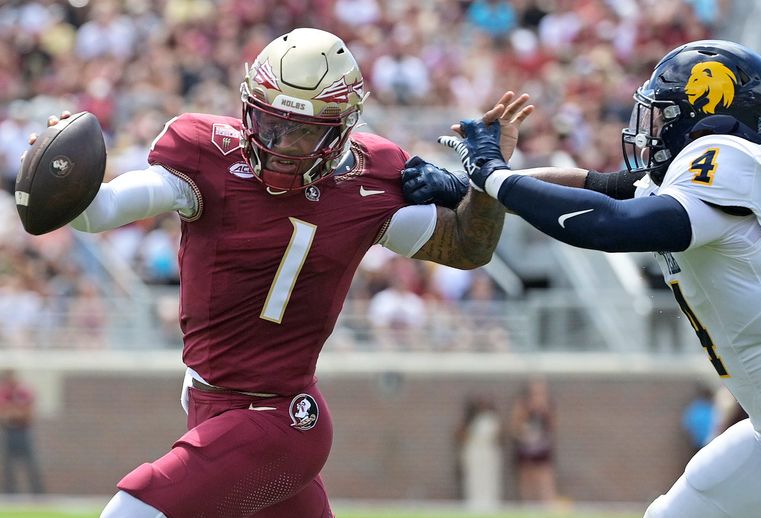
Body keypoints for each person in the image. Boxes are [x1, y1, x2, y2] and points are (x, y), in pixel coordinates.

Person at [26, 28, 532, 518]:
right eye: (270, 124)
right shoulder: (207, 153)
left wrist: (486, 182)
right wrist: (61, 169)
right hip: (211, 401)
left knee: (133, 512)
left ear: (341, 129)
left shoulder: (370, 180)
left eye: (304, 130)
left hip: (278, 420)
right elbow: (98, 212)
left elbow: (468, 247)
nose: (282, 142)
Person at [436, 40, 761, 517]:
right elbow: (597, 185)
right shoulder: (714, 177)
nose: (650, 129)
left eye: (666, 114)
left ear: (710, 114)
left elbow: (608, 223)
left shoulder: (732, 159)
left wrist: (495, 176)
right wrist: (477, 186)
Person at [510, 379, 557, 503]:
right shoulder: (522, 405)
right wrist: (527, 412)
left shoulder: (547, 405)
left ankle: (547, 503)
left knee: (544, 475)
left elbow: (552, 427)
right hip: (525, 445)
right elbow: (515, 427)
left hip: (541, 445)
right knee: (526, 476)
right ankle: (528, 504)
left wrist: (545, 411)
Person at [0, 369, 44, 494]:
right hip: (8, 432)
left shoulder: (24, 391)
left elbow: (27, 413)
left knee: (31, 463)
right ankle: (10, 492)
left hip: (24, 431)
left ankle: (38, 492)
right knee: (8, 465)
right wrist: (14, 413)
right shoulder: (4, 392)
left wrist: (13, 413)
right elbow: (3, 413)